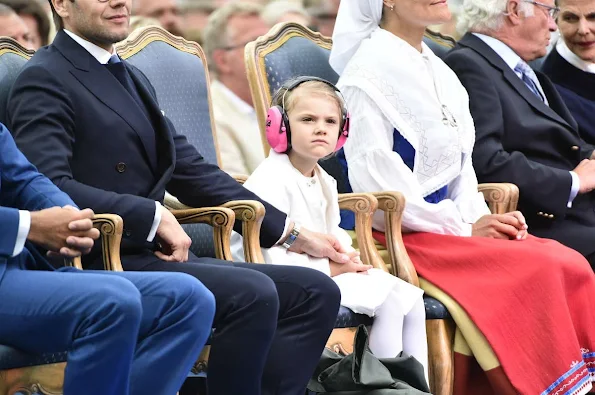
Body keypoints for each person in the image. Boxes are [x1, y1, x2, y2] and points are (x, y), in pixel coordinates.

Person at [7, 1, 343, 394]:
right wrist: (149, 214)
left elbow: (194, 172)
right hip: (102, 256)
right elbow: (47, 184)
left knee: (315, 291)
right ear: (62, 5)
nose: (120, 2)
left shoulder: (131, 76)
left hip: (157, 253)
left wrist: (291, 231)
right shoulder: (45, 77)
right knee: (254, 294)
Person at [329, 1, 595, 395]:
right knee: (544, 266)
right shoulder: (364, 75)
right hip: (405, 233)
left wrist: (480, 216)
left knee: (567, 263)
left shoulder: (437, 68)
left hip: (453, 227)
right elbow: (377, 182)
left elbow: (462, 166)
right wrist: (461, 226)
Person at [231, 77, 428, 380]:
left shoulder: (325, 179)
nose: (321, 128)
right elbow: (264, 256)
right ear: (280, 126)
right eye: (308, 119)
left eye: (330, 121)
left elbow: (332, 233)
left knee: (412, 300)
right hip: (283, 277)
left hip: (322, 270)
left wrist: (347, 258)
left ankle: (415, 387)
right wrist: (335, 269)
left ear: (342, 131)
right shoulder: (270, 180)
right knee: (387, 304)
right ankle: (378, 387)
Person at [0, 122, 215, 395]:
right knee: (114, 301)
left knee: (189, 299)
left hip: (22, 269)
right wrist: (30, 225)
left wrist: (70, 217)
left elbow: (23, 179)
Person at [443, 0, 595, 267]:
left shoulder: (522, 69)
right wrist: (571, 181)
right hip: (536, 223)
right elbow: (486, 161)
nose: (552, 25)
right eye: (549, 12)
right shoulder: (469, 65)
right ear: (514, 10)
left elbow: (566, 144)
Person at [203, 1, 269, 176]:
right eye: (256, 44)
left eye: (270, 42)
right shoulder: (212, 116)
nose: (269, 52)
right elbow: (240, 194)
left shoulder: (286, 101)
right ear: (222, 61)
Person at [542, 0, 595, 144]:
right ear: (555, 20)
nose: (583, 30)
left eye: (593, 17)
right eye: (570, 18)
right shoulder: (550, 90)